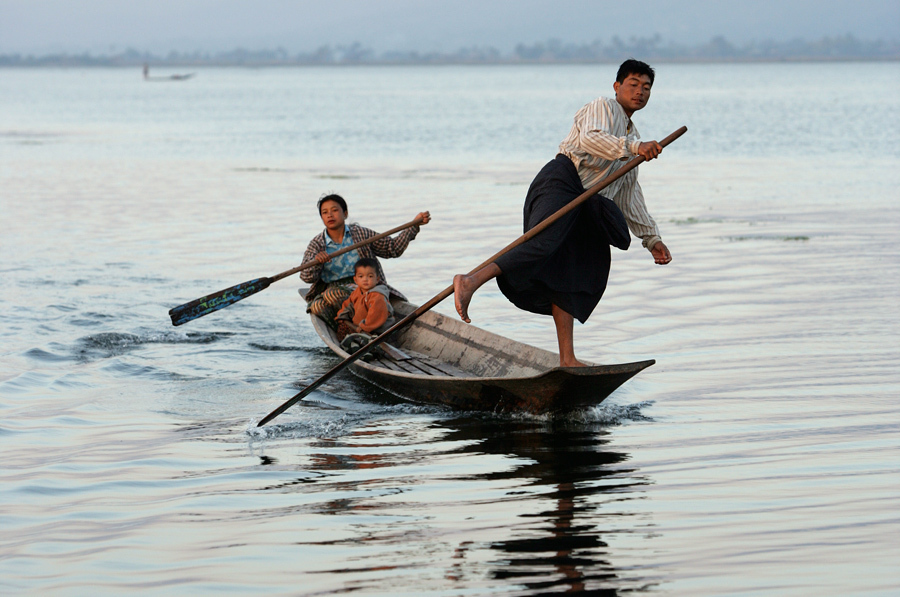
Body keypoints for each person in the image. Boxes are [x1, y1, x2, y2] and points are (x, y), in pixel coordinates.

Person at [452, 59, 671, 367]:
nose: (640, 92)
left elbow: (629, 194)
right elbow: (590, 139)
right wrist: (634, 148)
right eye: (633, 84)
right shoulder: (604, 107)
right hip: (562, 180)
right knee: (543, 241)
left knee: (575, 272)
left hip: (586, 202)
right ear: (617, 86)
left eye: (646, 87)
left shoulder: (632, 137)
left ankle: (567, 358)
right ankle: (470, 280)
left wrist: (651, 239)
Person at [301, 193, 430, 328]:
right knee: (317, 306)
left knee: (332, 295)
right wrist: (317, 262)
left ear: (345, 214)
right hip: (333, 290)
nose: (330, 215)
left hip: (365, 286)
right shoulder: (317, 244)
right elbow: (306, 276)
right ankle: (344, 327)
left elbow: (392, 248)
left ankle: (362, 324)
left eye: (335, 210)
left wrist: (413, 225)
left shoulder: (361, 234)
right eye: (325, 212)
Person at [334, 258, 395, 340]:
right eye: (361, 276)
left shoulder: (377, 296)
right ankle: (349, 344)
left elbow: (375, 316)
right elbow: (348, 305)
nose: (365, 279)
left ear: (377, 279)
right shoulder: (357, 292)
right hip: (360, 327)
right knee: (342, 327)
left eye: (370, 276)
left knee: (371, 340)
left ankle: (362, 344)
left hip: (378, 330)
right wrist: (342, 316)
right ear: (355, 280)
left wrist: (363, 327)